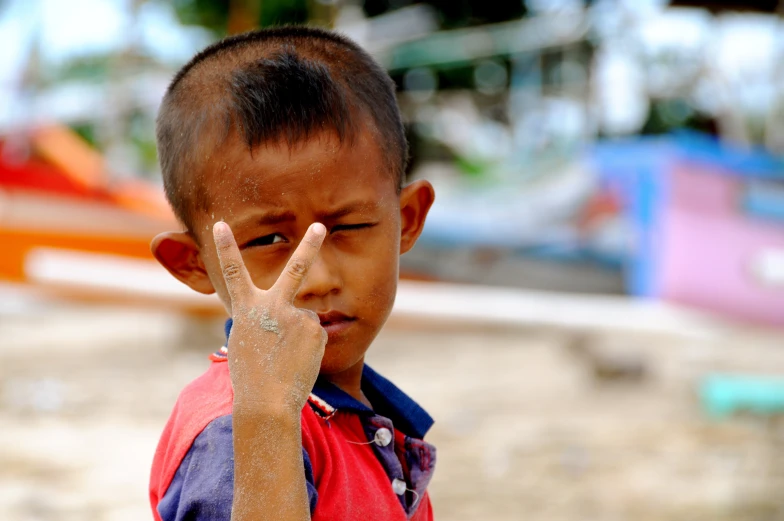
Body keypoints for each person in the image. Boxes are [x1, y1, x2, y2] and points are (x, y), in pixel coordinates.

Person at [147, 26, 437, 521]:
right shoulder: (231, 435)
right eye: (268, 240)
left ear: (406, 220)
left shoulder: (356, 410)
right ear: (193, 263)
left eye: (349, 226)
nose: (317, 278)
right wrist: (267, 420)